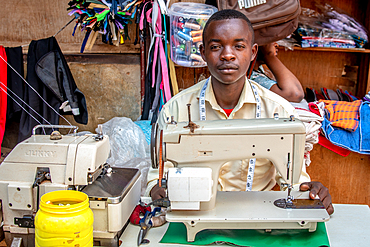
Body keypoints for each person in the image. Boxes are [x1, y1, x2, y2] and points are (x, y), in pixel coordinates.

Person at [146, 9, 334, 215]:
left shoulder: (279, 112)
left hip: (257, 217)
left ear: (253, 53)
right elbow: (157, 177)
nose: (227, 54)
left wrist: (308, 192)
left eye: (239, 46)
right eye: (216, 47)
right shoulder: (175, 111)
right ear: (202, 52)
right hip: (194, 214)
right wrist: (157, 189)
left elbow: (295, 182)